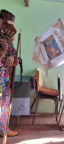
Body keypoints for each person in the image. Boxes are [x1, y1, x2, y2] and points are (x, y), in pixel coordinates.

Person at [0, 9, 19, 137]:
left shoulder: (6, 39)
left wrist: (13, 58)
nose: (10, 27)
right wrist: (2, 53)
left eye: (12, 24)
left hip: (6, 81)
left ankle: (3, 130)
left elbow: (14, 56)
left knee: (4, 109)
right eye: (7, 23)